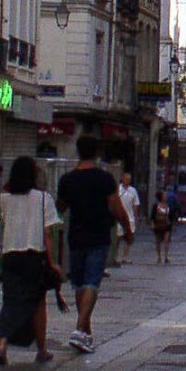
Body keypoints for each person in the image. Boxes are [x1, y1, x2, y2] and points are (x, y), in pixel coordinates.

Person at [55, 135, 133, 353]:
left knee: (79, 283)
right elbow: (116, 207)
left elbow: (59, 207)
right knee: (92, 282)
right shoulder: (104, 179)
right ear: (96, 153)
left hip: (76, 236)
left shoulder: (67, 180)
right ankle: (80, 328)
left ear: (78, 151)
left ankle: (85, 333)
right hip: (99, 235)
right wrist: (127, 229)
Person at [0, 155, 57, 367]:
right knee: (37, 302)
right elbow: (48, 233)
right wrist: (53, 261)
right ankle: (41, 349)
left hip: (10, 254)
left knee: (10, 300)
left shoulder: (3, 199)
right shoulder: (43, 198)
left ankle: (2, 343)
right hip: (34, 255)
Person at [115, 170, 141, 266]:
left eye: (129, 179)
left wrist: (136, 217)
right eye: (126, 179)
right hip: (119, 217)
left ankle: (125, 256)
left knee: (129, 238)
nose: (128, 181)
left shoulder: (133, 190)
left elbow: (135, 204)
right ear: (122, 179)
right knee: (118, 237)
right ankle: (115, 255)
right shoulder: (118, 189)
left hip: (130, 217)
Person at [150, 190, 172, 263]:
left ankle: (166, 256)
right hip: (158, 225)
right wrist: (152, 224)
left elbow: (171, 215)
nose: (166, 196)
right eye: (164, 195)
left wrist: (172, 223)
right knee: (158, 241)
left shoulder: (168, 205)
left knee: (166, 241)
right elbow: (152, 216)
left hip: (166, 225)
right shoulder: (156, 206)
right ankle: (159, 257)